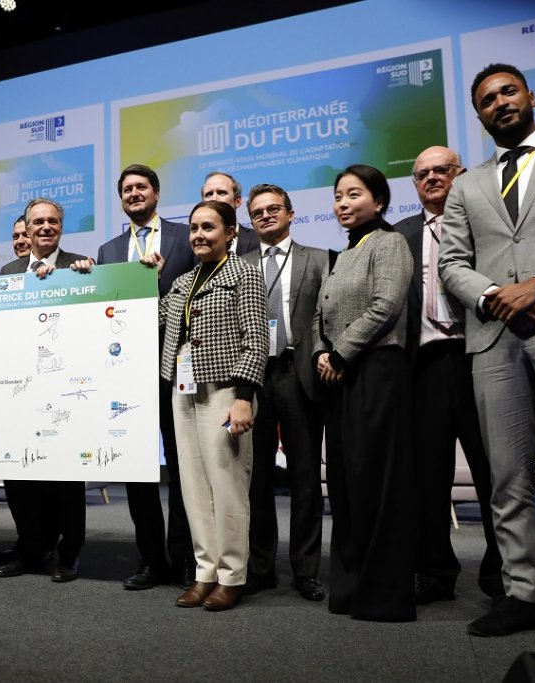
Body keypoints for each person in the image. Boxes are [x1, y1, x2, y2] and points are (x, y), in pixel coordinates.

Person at [440, 63, 535, 637]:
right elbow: (451, 264)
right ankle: (520, 594)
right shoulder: (467, 185)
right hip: (494, 340)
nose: (500, 103)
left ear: (530, 96)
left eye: (508, 91)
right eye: (487, 100)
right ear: (480, 114)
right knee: (508, 476)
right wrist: (495, 296)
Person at [393, 146, 503, 604]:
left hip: (482, 356)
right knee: (428, 477)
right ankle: (436, 572)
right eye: (423, 174)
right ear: (414, 184)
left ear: (461, 175)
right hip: (426, 366)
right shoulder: (400, 234)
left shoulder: (487, 223)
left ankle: (503, 574)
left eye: (443, 170)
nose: (433, 178)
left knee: (495, 474)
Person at [313, 164, 414, 622]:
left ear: (379, 201)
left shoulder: (390, 243)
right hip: (342, 377)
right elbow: (321, 313)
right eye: (338, 196)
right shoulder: (344, 252)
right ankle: (350, 589)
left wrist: (341, 354)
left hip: (375, 371)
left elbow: (386, 305)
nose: (343, 203)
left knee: (376, 483)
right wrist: (321, 351)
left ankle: (382, 596)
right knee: (347, 486)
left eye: (354, 194)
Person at [156, 199, 267, 611]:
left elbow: (257, 341)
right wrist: (140, 279)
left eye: (208, 228)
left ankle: (232, 575)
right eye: (194, 229)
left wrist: (243, 398)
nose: (199, 235)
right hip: (182, 391)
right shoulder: (182, 282)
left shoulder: (245, 274)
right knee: (193, 487)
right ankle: (205, 572)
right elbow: (153, 317)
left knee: (228, 485)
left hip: (224, 391)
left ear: (230, 232)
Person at [0, 197, 90, 582]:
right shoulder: (7, 271)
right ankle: (29, 549)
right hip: (17, 391)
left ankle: (69, 555)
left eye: (52, 221)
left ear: (61, 226)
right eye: (37, 222)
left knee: (65, 481)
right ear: (26, 228)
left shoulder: (82, 266)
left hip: (64, 390)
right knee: (18, 477)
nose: (45, 227)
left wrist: (89, 277)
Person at [96, 163, 196, 590]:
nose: (134, 194)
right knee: (137, 471)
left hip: (178, 367)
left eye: (141, 187)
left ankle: (187, 560)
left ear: (156, 193)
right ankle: (151, 560)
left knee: (182, 466)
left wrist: (158, 285)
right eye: (126, 189)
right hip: (126, 372)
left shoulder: (182, 237)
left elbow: (195, 290)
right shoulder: (107, 250)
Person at [241, 184, 327, 601]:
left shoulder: (320, 258)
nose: (266, 216)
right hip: (252, 376)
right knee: (255, 477)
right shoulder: (237, 265)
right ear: (250, 221)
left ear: (291, 214)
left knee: (306, 476)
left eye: (274, 209)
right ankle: (260, 566)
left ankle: (306, 570)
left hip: (298, 371)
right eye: (258, 213)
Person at [200, 172, 260, 255]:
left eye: (221, 193)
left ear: (237, 201)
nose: (214, 199)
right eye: (209, 194)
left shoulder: (259, 239)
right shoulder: (195, 245)